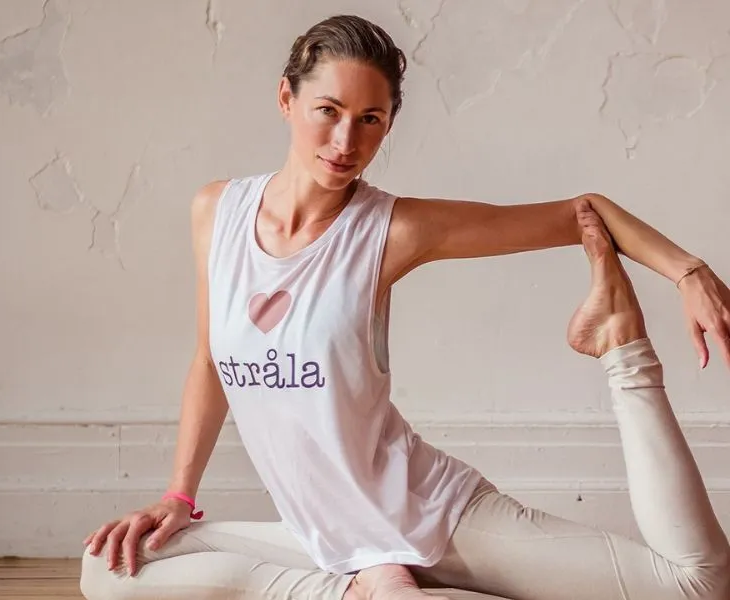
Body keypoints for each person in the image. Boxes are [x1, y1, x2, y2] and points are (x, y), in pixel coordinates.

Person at [80, 14, 730, 600]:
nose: (345, 140)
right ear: (286, 98)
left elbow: (585, 211)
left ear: (389, 123)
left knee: (696, 585)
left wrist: (689, 272)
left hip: (434, 520)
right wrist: (178, 495)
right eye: (328, 110)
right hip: (323, 540)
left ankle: (621, 345)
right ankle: (360, 591)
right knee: (107, 566)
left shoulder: (392, 230)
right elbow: (210, 360)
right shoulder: (216, 212)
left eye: (371, 119)